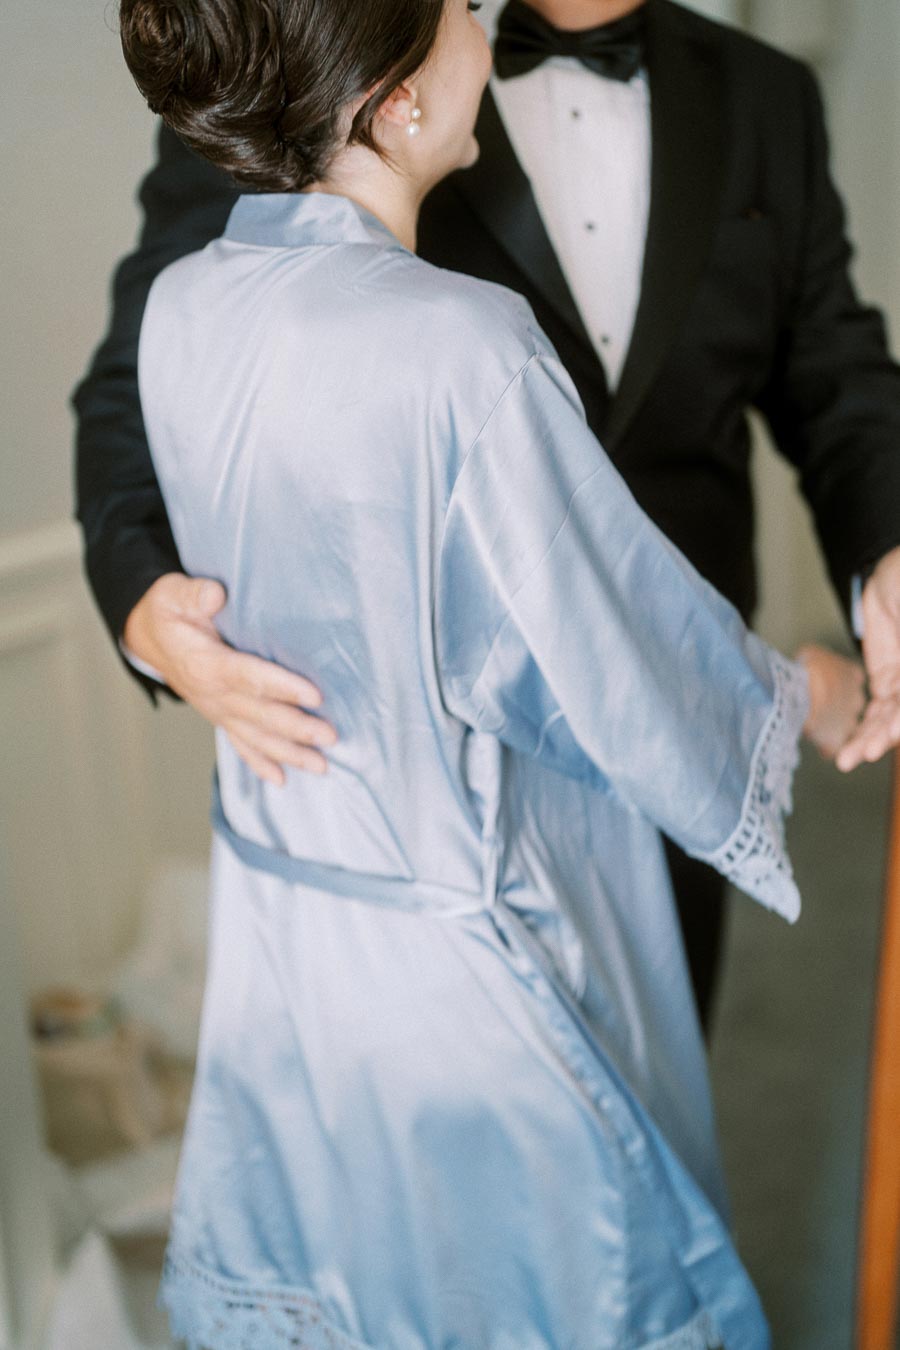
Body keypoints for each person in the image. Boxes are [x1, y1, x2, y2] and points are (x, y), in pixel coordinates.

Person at [115, 0, 882, 1344]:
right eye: (455, 11)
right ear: (398, 104)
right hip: (500, 915)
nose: (475, 15)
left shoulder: (190, 307)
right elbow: (599, 653)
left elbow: (834, 364)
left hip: (295, 928)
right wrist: (808, 694)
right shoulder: (469, 345)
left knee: (370, 1281)